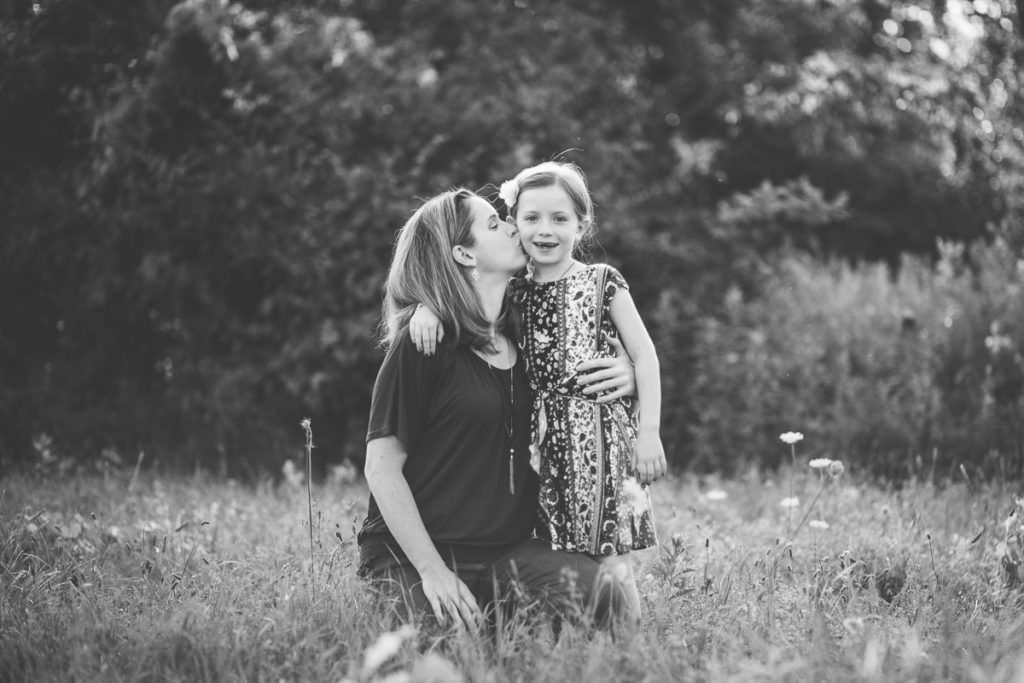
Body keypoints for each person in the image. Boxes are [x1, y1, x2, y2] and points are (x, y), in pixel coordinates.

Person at [357, 187, 639, 632]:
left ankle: (501, 626)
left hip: (504, 554)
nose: (512, 227)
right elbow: (381, 469)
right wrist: (433, 571)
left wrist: (627, 374)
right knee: (436, 647)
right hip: (413, 556)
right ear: (464, 254)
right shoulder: (424, 342)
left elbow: (591, 378)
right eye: (494, 224)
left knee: (603, 594)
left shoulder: (528, 335)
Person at [409, 161, 668, 622]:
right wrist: (426, 310)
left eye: (559, 219)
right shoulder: (515, 291)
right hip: (544, 447)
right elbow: (464, 298)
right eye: (532, 218)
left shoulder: (602, 281)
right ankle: (577, 634)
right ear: (514, 223)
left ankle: (631, 643)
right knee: (561, 553)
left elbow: (645, 355)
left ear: (581, 226)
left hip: (599, 439)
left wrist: (649, 431)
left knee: (610, 556)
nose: (545, 230)